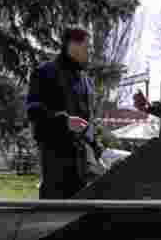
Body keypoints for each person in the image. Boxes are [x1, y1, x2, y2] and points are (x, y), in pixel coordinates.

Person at [25, 26, 104, 199]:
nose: (89, 52)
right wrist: (64, 121)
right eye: (86, 47)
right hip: (55, 158)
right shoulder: (45, 72)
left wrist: (97, 148)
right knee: (53, 214)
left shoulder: (86, 81)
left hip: (83, 166)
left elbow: (88, 119)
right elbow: (32, 110)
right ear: (72, 45)